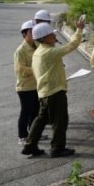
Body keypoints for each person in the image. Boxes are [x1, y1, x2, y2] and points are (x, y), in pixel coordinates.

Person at [21, 17, 85, 158]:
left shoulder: (38, 52)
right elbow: (72, 45)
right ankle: (57, 148)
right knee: (60, 120)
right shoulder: (48, 52)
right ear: (45, 38)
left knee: (41, 119)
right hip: (54, 92)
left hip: (44, 92)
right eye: (52, 35)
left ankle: (30, 145)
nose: (55, 36)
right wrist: (79, 29)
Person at [13, 20, 48, 145]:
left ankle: (34, 133)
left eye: (35, 32)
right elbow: (20, 70)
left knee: (36, 112)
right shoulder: (21, 50)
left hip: (36, 86)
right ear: (24, 34)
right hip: (25, 87)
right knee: (26, 112)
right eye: (30, 32)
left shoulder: (37, 46)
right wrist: (35, 69)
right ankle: (22, 136)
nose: (33, 34)